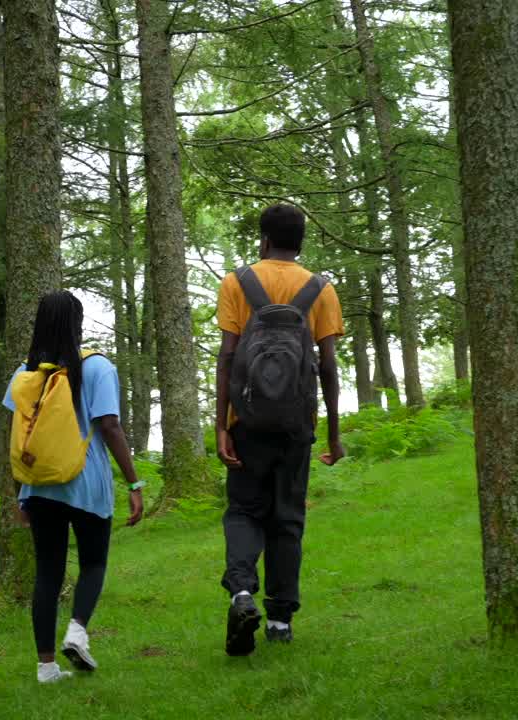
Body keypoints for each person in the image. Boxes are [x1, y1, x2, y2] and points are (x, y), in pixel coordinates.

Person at [214, 203, 345, 656]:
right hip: (296, 424)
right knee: (287, 517)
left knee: (244, 511)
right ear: (301, 241)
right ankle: (281, 620)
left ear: (264, 240)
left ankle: (242, 593)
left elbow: (228, 357)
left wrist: (221, 426)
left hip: (246, 421)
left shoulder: (237, 282)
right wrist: (332, 433)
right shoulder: (320, 289)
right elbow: (327, 366)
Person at [2, 291, 144, 684]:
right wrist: (134, 481)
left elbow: (18, 438)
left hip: (40, 488)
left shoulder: (24, 373)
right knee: (94, 563)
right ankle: (78, 631)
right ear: (79, 324)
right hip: (87, 483)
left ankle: (46, 668)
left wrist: (21, 492)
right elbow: (110, 426)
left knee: (47, 572)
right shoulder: (97, 367)